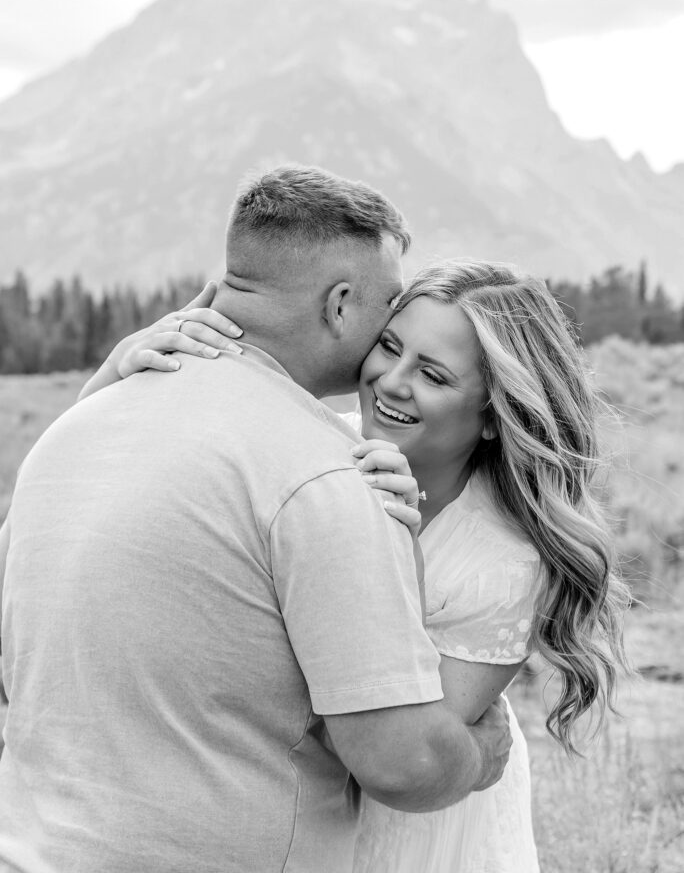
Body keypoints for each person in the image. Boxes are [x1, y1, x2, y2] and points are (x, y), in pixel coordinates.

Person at [0, 166, 513, 873]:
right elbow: (398, 763)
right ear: (340, 305)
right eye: (387, 306)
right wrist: (479, 756)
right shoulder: (331, 475)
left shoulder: (73, 430)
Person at [98, 257, 631, 872]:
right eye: (389, 346)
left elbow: (403, 751)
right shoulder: (311, 438)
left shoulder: (504, 562)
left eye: (432, 374)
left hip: (412, 827)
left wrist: (394, 554)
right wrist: (115, 381)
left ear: (492, 416)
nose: (391, 381)